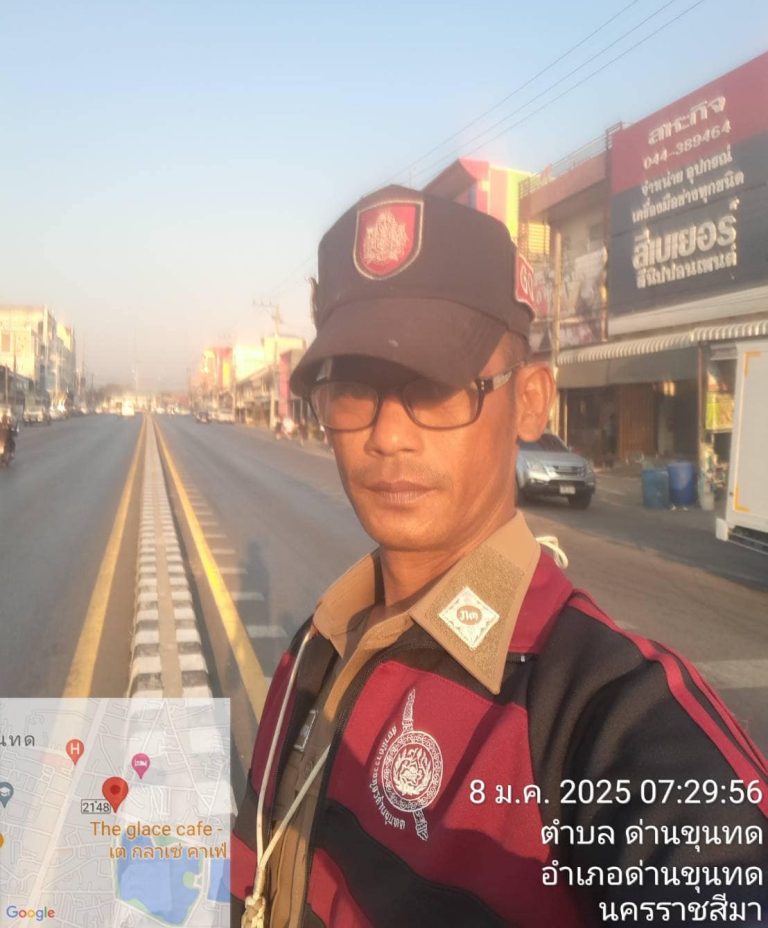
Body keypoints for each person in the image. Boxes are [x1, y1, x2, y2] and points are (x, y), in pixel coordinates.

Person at [231, 186, 767, 928]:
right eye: (352, 389)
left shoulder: (600, 715)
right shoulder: (317, 646)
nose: (387, 435)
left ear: (531, 401)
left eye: (437, 387)